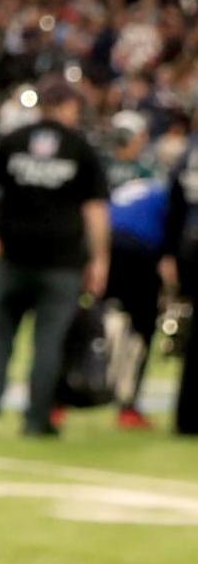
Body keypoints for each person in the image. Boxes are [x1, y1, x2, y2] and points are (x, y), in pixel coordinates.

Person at [0, 79, 111, 437]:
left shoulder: (14, 141)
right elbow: (95, 210)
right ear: (68, 108)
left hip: (14, 257)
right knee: (48, 343)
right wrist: (99, 259)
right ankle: (36, 418)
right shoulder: (80, 148)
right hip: (61, 262)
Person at [106, 175, 169, 429]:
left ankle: (59, 401)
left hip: (104, 244)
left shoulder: (138, 186)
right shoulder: (167, 192)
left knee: (89, 321)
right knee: (142, 327)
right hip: (140, 253)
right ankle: (128, 406)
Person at [168, 137, 198, 434]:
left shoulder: (190, 149)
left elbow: (174, 200)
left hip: (189, 244)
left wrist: (171, 252)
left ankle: (186, 418)